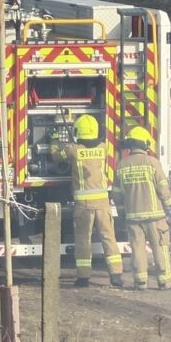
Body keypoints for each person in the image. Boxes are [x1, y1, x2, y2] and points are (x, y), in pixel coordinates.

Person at [57, 114, 124, 288]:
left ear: (78, 130)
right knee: (109, 238)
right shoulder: (103, 148)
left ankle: (83, 277)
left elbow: (57, 156)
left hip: (83, 205)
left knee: (83, 240)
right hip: (103, 203)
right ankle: (116, 275)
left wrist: (54, 139)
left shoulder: (74, 149)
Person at [113, 126, 171, 290]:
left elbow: (116, 195)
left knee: (137, 249)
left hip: (133, 217)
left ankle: (140, 282)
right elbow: (163, 189)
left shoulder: (122, 165)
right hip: (155, 217)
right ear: (145, 144)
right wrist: (169, 206)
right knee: (160, 248)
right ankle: (165, 281)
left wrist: (122, 213)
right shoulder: (152, 163)